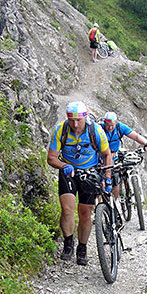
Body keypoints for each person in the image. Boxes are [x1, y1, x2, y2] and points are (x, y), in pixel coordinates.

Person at [47, 101, 113, 265]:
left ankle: (82, 248)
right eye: (71, 120)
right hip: (69, 172)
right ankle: (68, 242)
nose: (75, 124)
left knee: (85, 213)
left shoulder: (96, 131)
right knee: (67, 209)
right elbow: (51, 158)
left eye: (79, 120)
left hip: (89, 173)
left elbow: (106, 154)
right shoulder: (61, 130)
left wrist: (107, 177)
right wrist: (64, 166)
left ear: (85, 118)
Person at [101, 111, 147, 197]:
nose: (110, 127)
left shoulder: (120, 127)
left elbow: (135, 136)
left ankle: (115, 203)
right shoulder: (99, 128)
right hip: (101, 157)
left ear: (116, 122)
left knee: (116, 181)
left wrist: (146, 143)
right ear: (104, 122)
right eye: (108, 125)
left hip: (114, 157)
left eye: (112, 125)